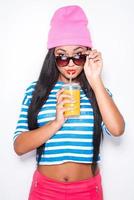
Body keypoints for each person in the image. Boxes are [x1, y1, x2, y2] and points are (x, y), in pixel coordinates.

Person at [13, 5, 125, 200]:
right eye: (63, 56)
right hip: (45, 190)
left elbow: (117, 129)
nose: (71, 64)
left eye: (79, 55)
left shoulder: (97, 92)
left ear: (88, 55)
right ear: (53, 57)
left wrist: (95, 80)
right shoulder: (36, 91)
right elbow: (19, 146)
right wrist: (56, 123)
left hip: (88, 190)